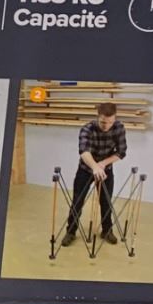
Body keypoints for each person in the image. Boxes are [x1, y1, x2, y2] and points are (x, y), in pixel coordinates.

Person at [63, 101, 126, 246]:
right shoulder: (87, 129)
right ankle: (71, 232)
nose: (106, 126)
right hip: (85, 169)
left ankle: (107, 231)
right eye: (103, 122)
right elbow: (84, 151)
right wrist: (95, 167)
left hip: (106, 170)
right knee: (77, 202)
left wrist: (102, 164)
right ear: (98, 116)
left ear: (115, 118)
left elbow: (121, 152)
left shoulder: (119, 128)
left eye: (110, 122)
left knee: (106, 201)